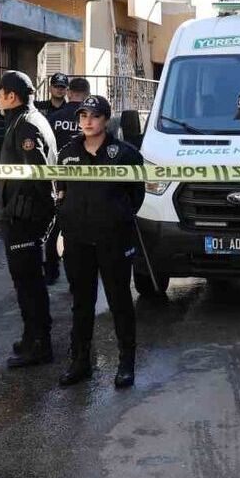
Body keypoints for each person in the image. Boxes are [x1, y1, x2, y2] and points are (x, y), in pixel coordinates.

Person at [55, 95, 146, 388]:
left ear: (105, 119)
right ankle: (80, 361)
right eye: (83, 116)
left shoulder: (125, 154)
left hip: (114, 240)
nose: (88, 121)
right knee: (82, 303)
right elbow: (61, 190)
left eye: (94, 116)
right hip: (78, 239)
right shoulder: (67, 153)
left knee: (120, 301)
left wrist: (117, 216)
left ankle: (126, 363)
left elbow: (136, 195)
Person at [0, 71, 59, 369]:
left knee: (29, 283)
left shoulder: (27, 126)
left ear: (12, 96)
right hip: (22, 214)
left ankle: (39, 344)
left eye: (0, 93)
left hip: (25, 216)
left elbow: (40, 176)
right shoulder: (25, 121)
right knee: (26, 282)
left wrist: (40, 215)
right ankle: (31, 335)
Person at [38, 73, 81, 285]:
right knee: (78, 228)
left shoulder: (53, 119)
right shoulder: (92, 119)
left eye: (63, 87)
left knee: (56, 227)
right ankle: (77, 270)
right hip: (82, 181)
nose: (59, 90)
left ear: (69, 92)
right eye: (56, 86)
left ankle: (53, 270)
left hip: (59, 178)